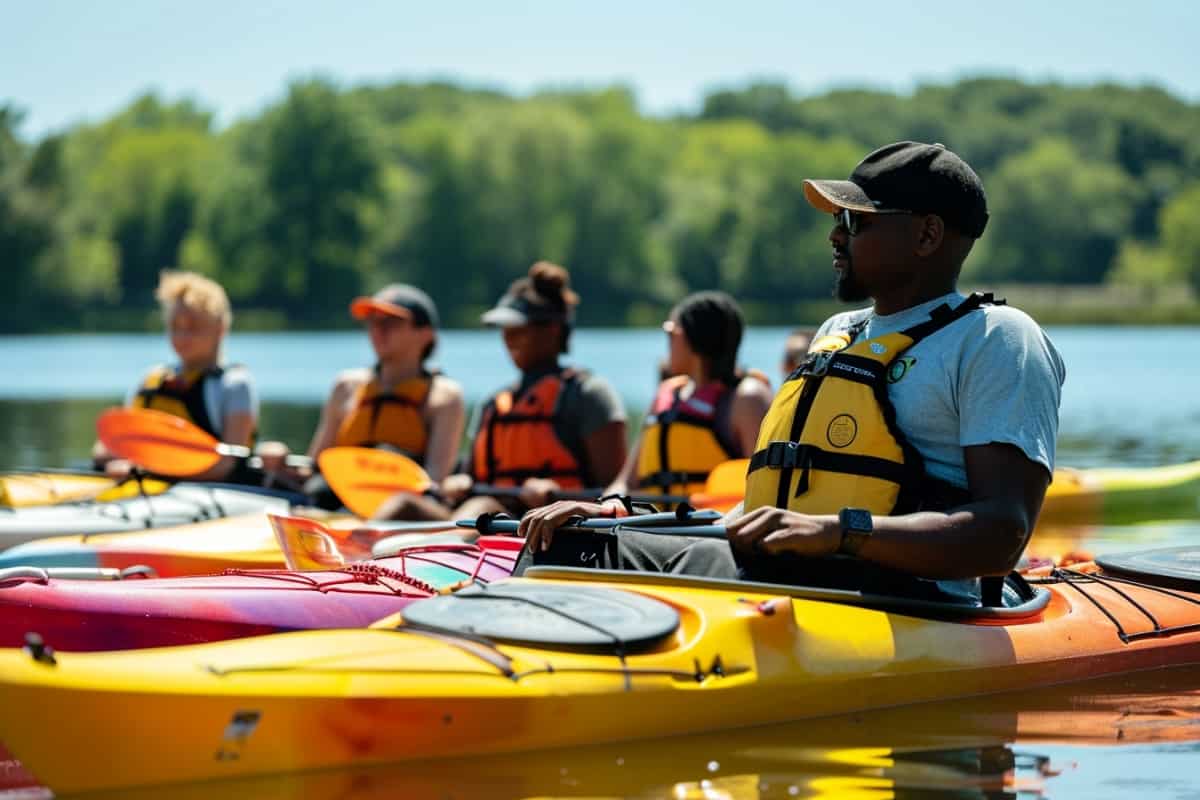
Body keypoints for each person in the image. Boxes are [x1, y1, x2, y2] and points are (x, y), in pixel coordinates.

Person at [517, 141, 1066, 606]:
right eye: (836, 221)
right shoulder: (841, 330)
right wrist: (627, 517)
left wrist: (837, 533)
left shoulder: (996, 338)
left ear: (926, 236)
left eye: (855, 221)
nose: (835, 237)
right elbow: (782, 504)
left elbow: (1001, 534)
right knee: (574, 543)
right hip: (795, 572)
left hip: (902, 595)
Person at [374, 261, 627, 520]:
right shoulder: (494, 403)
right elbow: (472, 478)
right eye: (505, 330)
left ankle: (435, 551)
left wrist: (558, 493)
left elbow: (616, 493)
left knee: (481, 507)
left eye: (519, 329)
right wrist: (457, 484)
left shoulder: (590, 395)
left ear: (551, 330)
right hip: (486, 523)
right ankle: (358, 556)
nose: (508, 339)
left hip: (556, 526)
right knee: (402, 504)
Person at [258, 284, 465, 509]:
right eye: (374, 322)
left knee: (401, 503)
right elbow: (315, 466)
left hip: (397, 507)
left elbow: (433, 483)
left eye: (391, 323)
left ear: (425, 335)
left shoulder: (444, 397)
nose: (378, 330)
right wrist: (280, 462)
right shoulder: (346, 386)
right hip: (334, 499)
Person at [92, 270, 259, 483]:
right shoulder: (150, 379)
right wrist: (114, 459)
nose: (182, 336)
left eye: (193, 328)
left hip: (208, 489)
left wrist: (150, 472)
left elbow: (230, 464)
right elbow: (105, 448)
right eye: (175, 327)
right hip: (145, 482)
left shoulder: (235, 385)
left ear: (220, 328)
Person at [605, 291, 773, 503]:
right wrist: (610, 503)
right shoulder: (665, 396)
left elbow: (769, 487)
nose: (667, 343)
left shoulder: (746, 399)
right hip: (652, 533)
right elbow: (626, 483)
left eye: (670, 332)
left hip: (715, 533)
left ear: (692, 336)